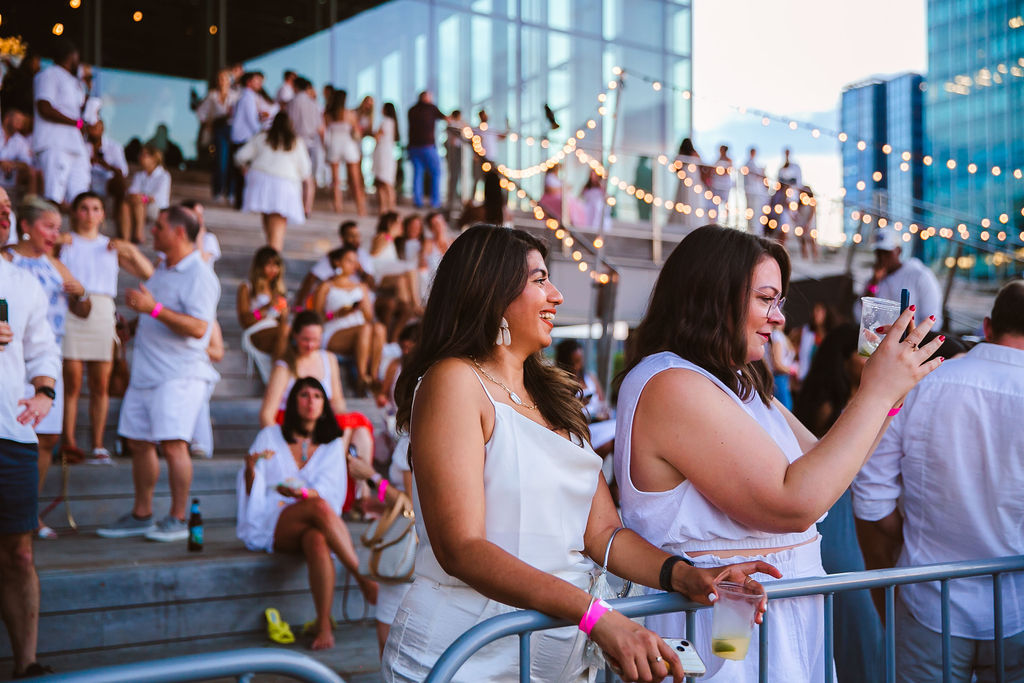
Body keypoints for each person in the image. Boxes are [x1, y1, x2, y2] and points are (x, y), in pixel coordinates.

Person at [383, 225, 776, 682]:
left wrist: (689, 576)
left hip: (557, 664)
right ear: (491, 292)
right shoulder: (452, 381)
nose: (556, 295)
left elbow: (605, 534)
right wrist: (595, 617)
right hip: (466, 656)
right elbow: (462, 548)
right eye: (539, 279)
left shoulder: (552, 396)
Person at [614, 224, 945, 681]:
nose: (779, 318)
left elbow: (831, 467)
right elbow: (794, 503)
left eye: (779, 302)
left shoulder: (742, 383)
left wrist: (888, 393)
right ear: (715, 296)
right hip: (720, 619)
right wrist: (874, 392)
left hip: (768, 617)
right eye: (766, 299)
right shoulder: (671, 383)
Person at [853, 280, 1024, 683]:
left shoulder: (923, 384)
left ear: (986, 327)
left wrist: (918, 532)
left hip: (928, 598)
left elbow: (871, 501)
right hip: (1018, 608)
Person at [97, 206, 220, 542]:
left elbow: (198, 328)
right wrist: (133, 326)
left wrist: (151, 308)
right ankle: (142, 514)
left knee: (173, 445)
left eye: (159, 226)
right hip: (147, 372)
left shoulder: (200, 275)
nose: (152, 231)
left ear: (180, 232)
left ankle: (179, 518)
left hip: (179, 374)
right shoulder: (163, 270)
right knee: (138, 442)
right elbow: (159, 315)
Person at [238, 377, 378, 650]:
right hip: (272, 520)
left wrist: (302, 495)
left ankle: (323, 624)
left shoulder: (331, 444)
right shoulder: (270, 436)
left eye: (317, 396)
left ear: (325, 405)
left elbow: (332, 492)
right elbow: (251, 491)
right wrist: (250, 467)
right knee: (318, 508)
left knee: (317, 538)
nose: (311, 401)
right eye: (304, 395)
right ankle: (364, 578)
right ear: (293, 401)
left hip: (314, 514)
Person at [792, 323, 885, 683]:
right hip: (829, 524)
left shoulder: (849, 400)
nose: (869, 361)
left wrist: (887, 402)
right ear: (843, 359)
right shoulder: (832, 406)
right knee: (856, 624)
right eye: (863, 354)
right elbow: (843, 463)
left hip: (837, 517)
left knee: (852, 625)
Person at [6, 198, 91, 539]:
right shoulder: (7, 259)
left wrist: (81, 294)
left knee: (47, 436)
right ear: (25, 225)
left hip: (48, 357)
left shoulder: (57, 265)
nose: (55, 234)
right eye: (48, 226)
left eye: (58, 228)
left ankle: (32, 512)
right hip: (12, 358)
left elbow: (83, 311)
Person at [0, 213, 60, 678]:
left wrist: (45, 392)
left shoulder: (23, 282)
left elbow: (42, 346)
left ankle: (28, 665)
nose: (5, 214)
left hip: (11, 433)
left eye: (7, 206)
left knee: (20, 554)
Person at [60, 192, 152, 466]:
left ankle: (98, 444)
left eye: (96, 208)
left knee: (101, 384)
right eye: (84, 208)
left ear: (103, 214)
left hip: (102, 311)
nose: (90, 214)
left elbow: (148, 273)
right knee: (73, 383)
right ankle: (69, 442)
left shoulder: (109, 246)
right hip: (72, 308)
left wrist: (131, 249)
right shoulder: (65, 242)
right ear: (75, 212)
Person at [257, 311, 376, 508]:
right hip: (293, 422)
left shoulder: (328, 359)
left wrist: (339, 424)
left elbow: (337, 401)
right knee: (341, 432)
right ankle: (335, 483)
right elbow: (266, 413)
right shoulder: (284, 366)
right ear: (294, 336)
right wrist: (278, 444)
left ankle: (361, 495)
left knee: (360, 430)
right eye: (305, 339)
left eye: (316, 340)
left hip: (321, 417)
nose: (311, 345)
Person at [235, 111, 311, 252]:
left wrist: (245, 169)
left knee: (270, 229)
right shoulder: (296, 142)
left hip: (261, 183)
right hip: (284, 186)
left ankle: (270, 261)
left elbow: (240, 156)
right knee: (277, 234)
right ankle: (274, 264)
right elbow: (306, 171)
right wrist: (307, 202)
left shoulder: (262, 137)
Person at [313, 246, 386, 391]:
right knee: (365, 329)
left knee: (379, 328)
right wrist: (338, 314)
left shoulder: (361, 286)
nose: (354, 265)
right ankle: (361, 376)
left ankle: (373, 375)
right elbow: (316, 317)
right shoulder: (326, 286)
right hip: (335, 329)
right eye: (349, 261)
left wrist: (361, 307)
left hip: (361, 331)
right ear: (337, 262)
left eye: (355, 261)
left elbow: (369, 317)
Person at [32, 39, 90, 210]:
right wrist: (77, 123)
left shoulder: (74, 82)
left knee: (81, 198)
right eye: (77, 56)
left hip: (76, 145)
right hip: (54, 142)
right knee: (53, 194)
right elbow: (44, 107)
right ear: (71, 56)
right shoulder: (49, 74)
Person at [865, 228, 944, 330]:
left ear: (899, 251)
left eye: (886, 253)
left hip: (911, 340)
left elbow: (932, 320)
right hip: (877, 339)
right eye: (878, 253)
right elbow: (861, 315)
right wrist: (874, 282)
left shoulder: (920, 275)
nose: (882, 258)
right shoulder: (874, 280)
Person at [237, 246, 290, 367]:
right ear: (259, 266)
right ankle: (279, 374)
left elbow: (281, 322)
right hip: (255, 330)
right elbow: (245, 320)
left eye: (276, 265)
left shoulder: (278, 290)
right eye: (269, 265)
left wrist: (283, 314)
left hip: (276, 331)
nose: (273, 269)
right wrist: (265, 308)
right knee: (286, 332)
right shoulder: (247, 287)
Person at [196, 69, 239, 204]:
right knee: (221, 161)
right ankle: (218, 191)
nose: (222, 81)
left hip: (232, 130)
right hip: (219, 129)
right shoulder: (212, 96)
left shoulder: (236, 95)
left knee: (233, 161)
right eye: (220, 78)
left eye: (225, 78)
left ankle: (231, 192)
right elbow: (201, 112)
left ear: (229, 81)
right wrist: (208, 123)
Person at [285, 77, 323, 217]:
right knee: (309, 177)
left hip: (296, 142)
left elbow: (289, 123)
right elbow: (320, 126)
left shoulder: (292, 102)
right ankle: (307, 208)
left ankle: (297, 205)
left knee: (295, 176)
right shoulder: (314, 104)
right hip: (311, 142)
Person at [323, 90, 366, 216]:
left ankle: (338, 206)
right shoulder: (349, 114)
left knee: (336, 180)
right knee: (355, 179)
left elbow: (325, 131)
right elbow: (357, 132)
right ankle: (360, 208)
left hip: (334, 145)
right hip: (348, 145)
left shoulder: (328, 114)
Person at [230, 71, 267, 211]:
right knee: (243, 172)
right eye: (257, 81)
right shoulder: (248, 97)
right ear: (249, 82)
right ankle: (242, 203)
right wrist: (261, 131)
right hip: (244, 138)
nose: (260, 84)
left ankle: (241, 202)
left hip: (241, 137)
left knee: (241, 172)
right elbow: (251, 120)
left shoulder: (247, 96)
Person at [121, 144, 171, 244]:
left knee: (139, 202)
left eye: (145, 155)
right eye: (141, 155)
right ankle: (126, 240)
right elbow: (132, 192)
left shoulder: (164, 176)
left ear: (154, 158)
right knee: (125, 205)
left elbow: (157, 198)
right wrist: (140, 198)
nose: (140, 157)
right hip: (140, 205)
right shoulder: (139, 175)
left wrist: (142, 198)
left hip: (157, 209)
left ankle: (138, 233)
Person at [406, 91, 448, 209]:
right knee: (436, 172)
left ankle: (418, 201)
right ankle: (435, 202)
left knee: (418, 174)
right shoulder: (431, 108)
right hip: (427, 146)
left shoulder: (412, 110)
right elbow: (446, 118)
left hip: (413, 147)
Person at [85, 119, 129, 214]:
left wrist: (106, 165)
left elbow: (123, 172)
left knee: (120, 182)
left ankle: (118, 214)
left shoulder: (114, 147)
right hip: (86, 182)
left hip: (106, 184)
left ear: (102, 129)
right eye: (89, 128)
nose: (91, 131)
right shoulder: (82, 146)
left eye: (95, 128)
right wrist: (87, 162)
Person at [667, 137, 703, 231]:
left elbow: (675, 168)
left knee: (683, 198)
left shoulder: (681, 155)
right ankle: (689, 221)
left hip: (685, 179)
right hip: (693, 179)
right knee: (691, 199)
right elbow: (702, 166)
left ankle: (684, 220)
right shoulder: (695, 154)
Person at [0, 109, 37, 199]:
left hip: (9, 183)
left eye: (22, 122)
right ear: (7, 119)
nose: (20, 125)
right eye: (17, 120)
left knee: (33, 173)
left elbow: (27, 164)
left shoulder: (20, 140)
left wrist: (13, 164)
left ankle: (30, 203)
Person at [373, 102, 399, 214]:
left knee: (385, 182)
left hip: (383, 154)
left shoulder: (385, 122)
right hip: (388, 153)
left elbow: (377, 136)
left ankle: (386, 207)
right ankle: (388, 207)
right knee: (385, 182)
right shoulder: (393, 123)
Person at [742, 147, 768, 233]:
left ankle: (754, 231)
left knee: (755, 215)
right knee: (753, 214)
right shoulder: (749, 164)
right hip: (753, 192)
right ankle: (753, 232)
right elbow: (755, 176)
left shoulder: (751, 164)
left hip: (755, 192)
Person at [444, 109, 466, 208]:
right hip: (453, 150)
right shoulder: (452, 125)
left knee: (458, 174)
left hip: (459, 150)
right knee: (454, 175)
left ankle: (456, 196)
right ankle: (452, 197)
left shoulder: (461, 125)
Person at [709, 145, 732, 222]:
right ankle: (714, 221)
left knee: (726, 204)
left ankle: (727, 220)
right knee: (715, 204)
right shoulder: (717, 160)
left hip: (725, 185)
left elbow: (727, 171)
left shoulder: (729, 160)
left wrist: (718, 171)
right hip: (716, 184)